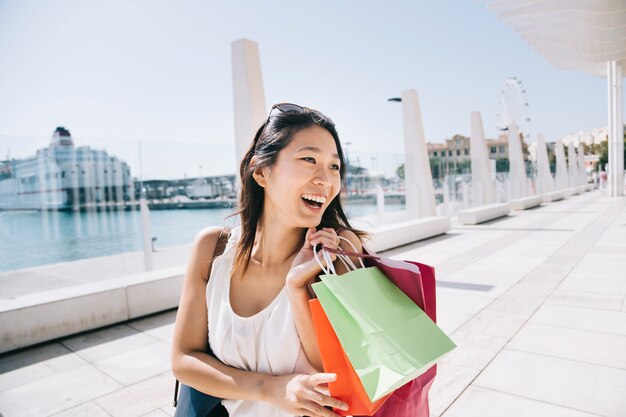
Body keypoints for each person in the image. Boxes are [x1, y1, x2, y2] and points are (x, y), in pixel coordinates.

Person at [171, 103, 366, 417]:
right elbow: (184, 359)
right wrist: (269, 388)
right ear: (261, 171)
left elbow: (339, 375)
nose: (325, 179)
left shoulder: (338, 250)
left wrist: (297, 286)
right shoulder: (213, 249)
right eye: (309, 159)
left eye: (334, 166)